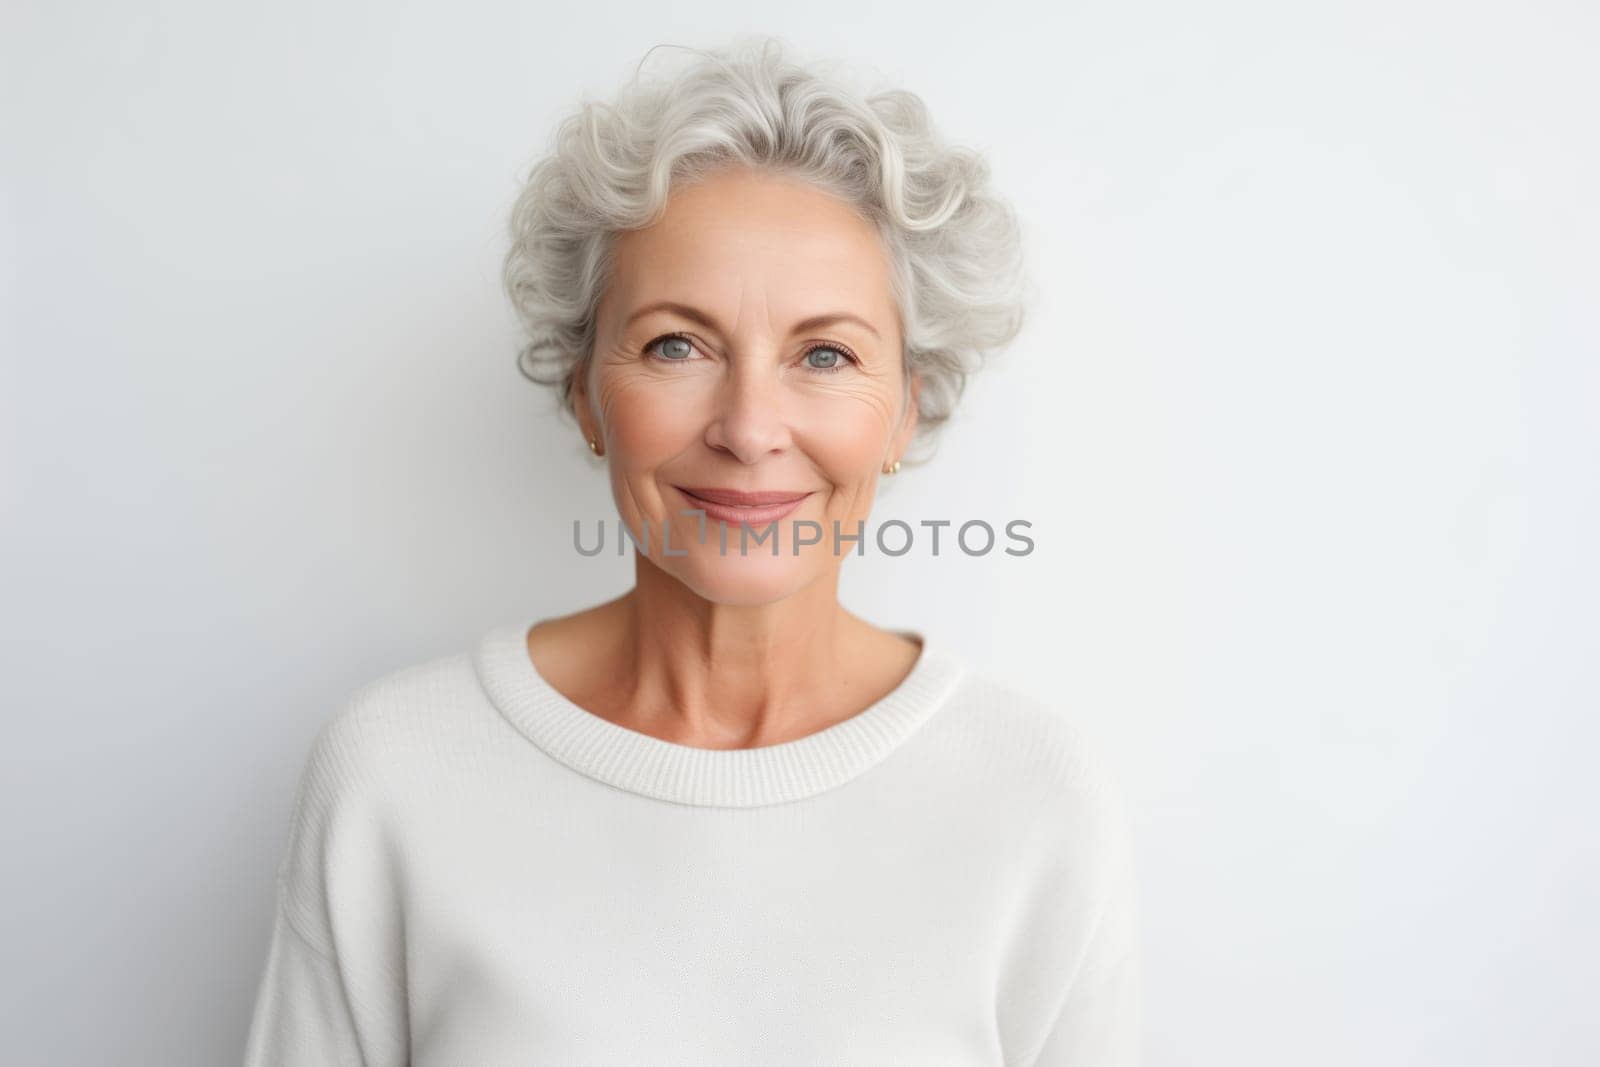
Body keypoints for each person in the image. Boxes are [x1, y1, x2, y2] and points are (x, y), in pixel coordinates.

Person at [243, 34, 1140, 1066]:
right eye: (678, 343)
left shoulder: (1033, 795)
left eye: (824, 353)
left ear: (906, 408)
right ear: (585, 393)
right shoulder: (395, 771)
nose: (750, 426)